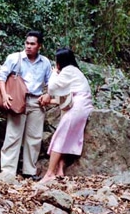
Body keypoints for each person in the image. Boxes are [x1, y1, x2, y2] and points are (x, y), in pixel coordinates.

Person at [0, 31, 52, 180]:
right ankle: (7, 171)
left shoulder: (45, 62)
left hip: (36, 101)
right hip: (18, 100)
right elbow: (1, 76)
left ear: (39, 46)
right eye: (27, 43)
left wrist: (48, 95)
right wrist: (4, 95)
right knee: (13, 135)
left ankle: (29, 171)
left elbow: (51, 82)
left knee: (34, 137)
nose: (28, 46)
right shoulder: (15, 58)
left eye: (32, 44)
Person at [39, 47, 93, 184]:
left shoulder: (68, 70)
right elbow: (64, 98)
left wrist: (54, 72)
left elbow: (52, 87)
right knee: (65, 135)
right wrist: (48, 101)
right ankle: (60, 169)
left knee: (61, 135)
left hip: (78, 105)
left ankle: (49, 173)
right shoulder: (74, 71)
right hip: (79, 104)